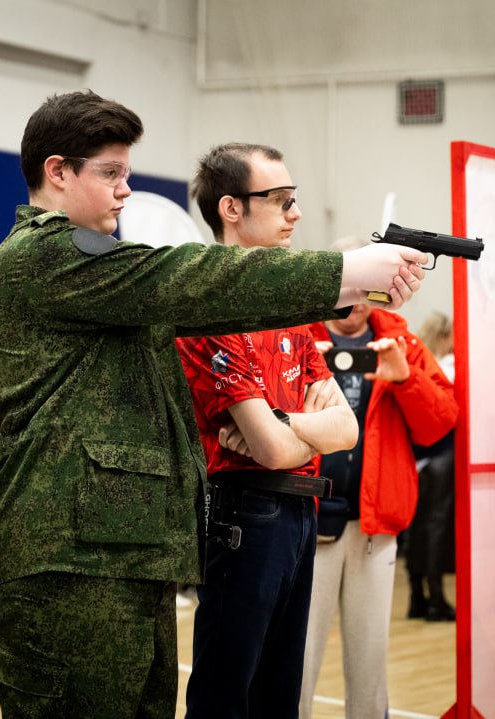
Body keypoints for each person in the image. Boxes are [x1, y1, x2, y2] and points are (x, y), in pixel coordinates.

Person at [0, 90, 429, 718]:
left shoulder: (102, 273)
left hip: (123, 552)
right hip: (71, 560)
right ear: (57, 172)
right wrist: (347, 273)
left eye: (126, 173)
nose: (125, 190)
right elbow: (193, 280)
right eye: (110, 173)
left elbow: (208, 295)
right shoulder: (44, 255)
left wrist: (346, 290)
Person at [175, 143, 358, 718]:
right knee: (228, 696)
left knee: (279, 696)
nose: (295, 214)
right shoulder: (212, 311)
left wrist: (282, 421)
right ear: (231, 208)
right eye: (280, 200)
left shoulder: (286, 313)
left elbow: (346, 429)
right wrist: (302, 429)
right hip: (245, 513)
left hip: (300, 510)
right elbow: (275, 451)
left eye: (294, 200)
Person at [299, 238, 460, 719]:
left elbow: (440, 423)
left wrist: (405, 378)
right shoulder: (297, 337)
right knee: (296, 663)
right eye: (348, 284)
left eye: (366, 287)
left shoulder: (401, 342)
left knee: (370, 666)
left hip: (376, 526)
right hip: (306, 523)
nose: (356, 299)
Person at [405, 311, 457, 621]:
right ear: (445, 336)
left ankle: (416, 598)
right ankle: (436, 598)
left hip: (413, 456)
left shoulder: (413, 363)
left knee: (415, 526)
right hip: (441, 454)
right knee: (436, 526)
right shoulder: (450, 367)